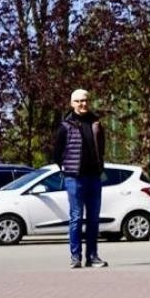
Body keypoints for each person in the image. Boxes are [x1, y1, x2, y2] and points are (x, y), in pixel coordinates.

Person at [52, 89, 108, 268]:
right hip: (74, 178)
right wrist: (66, 168)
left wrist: (100, 168)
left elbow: (102, 147)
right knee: (76, 217)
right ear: (72, 103)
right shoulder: (65, 126)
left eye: (85, 100)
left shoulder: (96, 123)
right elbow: (57, 153)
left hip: (94, 177)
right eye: (78, 101)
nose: (82, 104)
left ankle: (93, 256)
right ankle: (75, 257)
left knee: (93, 219)